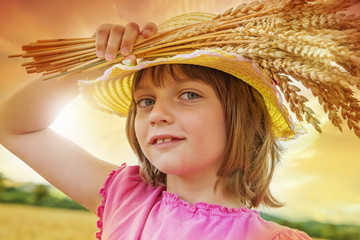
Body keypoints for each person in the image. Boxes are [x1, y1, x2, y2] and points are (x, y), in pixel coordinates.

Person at [0, 12, 314, 240]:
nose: (156, 114)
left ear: (244, 120)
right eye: (146, 101)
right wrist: (95, 61)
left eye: (189, 95)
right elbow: (13, 127)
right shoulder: (126, 196)